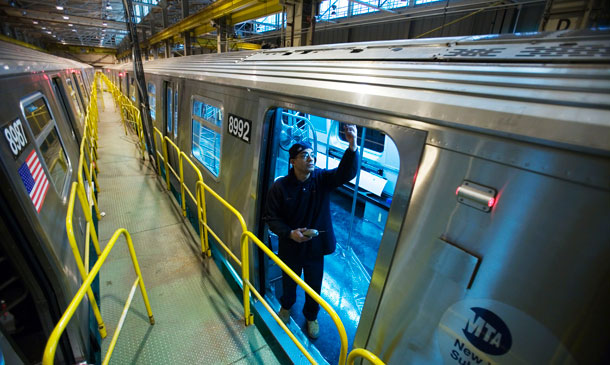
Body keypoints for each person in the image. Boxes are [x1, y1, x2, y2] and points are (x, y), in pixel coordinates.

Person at [264, 124, 358, 339]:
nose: (311, 159)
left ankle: (311, 317)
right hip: (291, 245)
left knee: (314, 285)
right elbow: (271, 218)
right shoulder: (280, 188)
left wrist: (352, 146)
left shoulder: (322, 180)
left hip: (315, 248)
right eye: (305, 155)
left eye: (312, 155)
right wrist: (289, 233)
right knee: (289, 280)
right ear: (293, 161)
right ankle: (286, 307)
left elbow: (345, 173)